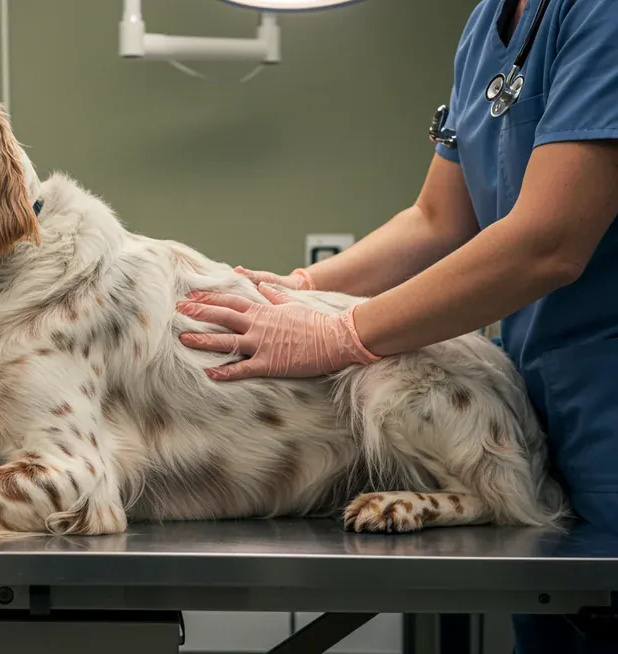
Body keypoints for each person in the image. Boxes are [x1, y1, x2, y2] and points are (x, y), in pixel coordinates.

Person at [176, 0, 618, 651]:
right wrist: (299, 289)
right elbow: (437, 220)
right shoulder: (487, 26)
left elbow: (548, 242)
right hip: (545, 391)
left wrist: (341, 334)